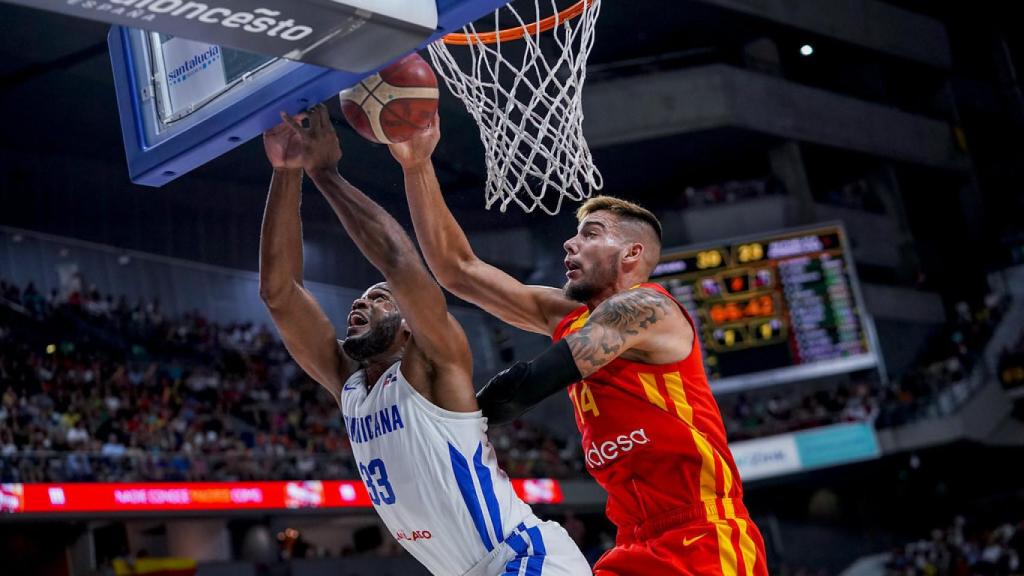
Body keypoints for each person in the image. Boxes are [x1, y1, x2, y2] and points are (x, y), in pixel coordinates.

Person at [390, 113, 769, 575]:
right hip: (632, 541)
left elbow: (527, 385)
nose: (570, 244)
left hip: (704, 536)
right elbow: (457, 269)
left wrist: (440, 429)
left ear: (632, 253)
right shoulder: (568, 315)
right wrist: (416, 164)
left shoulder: (650, 308)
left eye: (590, 234)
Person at [258, 104, 589, 576]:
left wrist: (326, 173)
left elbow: (400, 263)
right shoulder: (349, 387)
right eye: (360, 300)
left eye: (378, 299)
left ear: (410, 323)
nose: (359, 304)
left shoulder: (432, 363)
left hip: (523, 557)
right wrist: (286, 172)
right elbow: (279, 293)